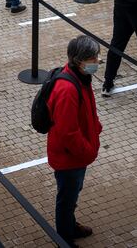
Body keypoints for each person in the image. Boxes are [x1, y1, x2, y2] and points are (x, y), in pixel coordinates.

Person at [47, 35, 102, 247]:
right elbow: (68, 132)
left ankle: (70, 225)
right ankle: (65, 238)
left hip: (76, 155)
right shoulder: (67, 89)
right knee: (67, 199)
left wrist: (95, 128)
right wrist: (87, 150)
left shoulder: (79, 76)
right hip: (71, 157)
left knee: (72, 194)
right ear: (80, 61)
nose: (97, 61)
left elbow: (87, 109)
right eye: (93, 58)